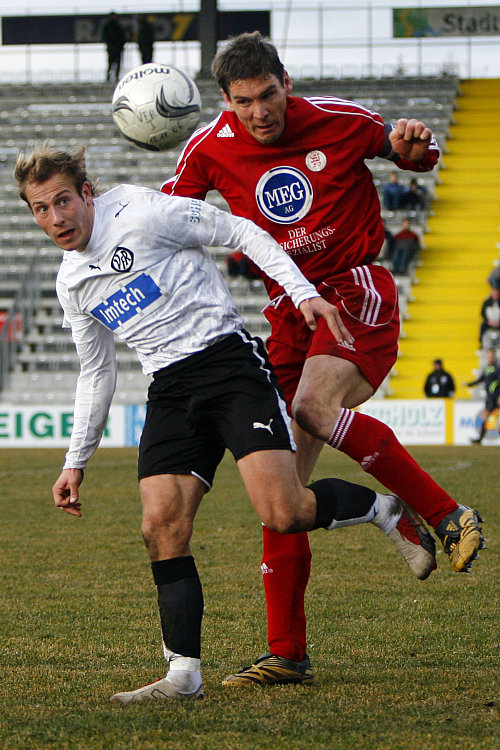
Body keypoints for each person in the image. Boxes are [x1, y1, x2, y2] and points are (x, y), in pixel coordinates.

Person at [15, 142, 438, 703]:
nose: (54, 219)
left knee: (284, 513)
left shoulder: (143, 211)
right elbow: (97, 373)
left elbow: (242, 232)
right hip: (168, 389)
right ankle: (183, 674)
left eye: (62, 201)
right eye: (40, 210)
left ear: (86, 193)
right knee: (160, 526)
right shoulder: (72, 282)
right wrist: (75, 462)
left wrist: (303, 293)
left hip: (228, 364)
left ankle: (383, 509)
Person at [162, 31, 485, 687]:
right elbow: (168, 214)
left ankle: (448, 513)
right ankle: (287, 652)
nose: (261, 112)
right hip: (288, 314)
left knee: (313, 407)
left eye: (270, 94)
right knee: (281, 495)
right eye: (246, 101)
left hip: (353, 287)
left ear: (287, 81)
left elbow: (406, 151)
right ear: (226, 100)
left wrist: (417, 148)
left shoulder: (338, 121)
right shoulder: (208, 148)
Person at [464, 349, 500, 443]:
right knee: (485, 417)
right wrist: (469, 384)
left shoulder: (498, 368)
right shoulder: (487, 368)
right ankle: (479, 439)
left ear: (494, 357)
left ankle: (479, 439)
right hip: (490, 398)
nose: (490, 357)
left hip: (497, 397)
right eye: (488, 356)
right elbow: (480, 380)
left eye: (491, 356)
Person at [102, 12, 126, 83]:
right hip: (111, 48)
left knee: (118, 63)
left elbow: (122, 37)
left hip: (118, 49)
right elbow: (105, 37)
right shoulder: (108, 26)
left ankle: (116, 76)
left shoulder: (118, 26)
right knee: (110, 63)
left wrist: (121, 46)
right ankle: (108, 77)